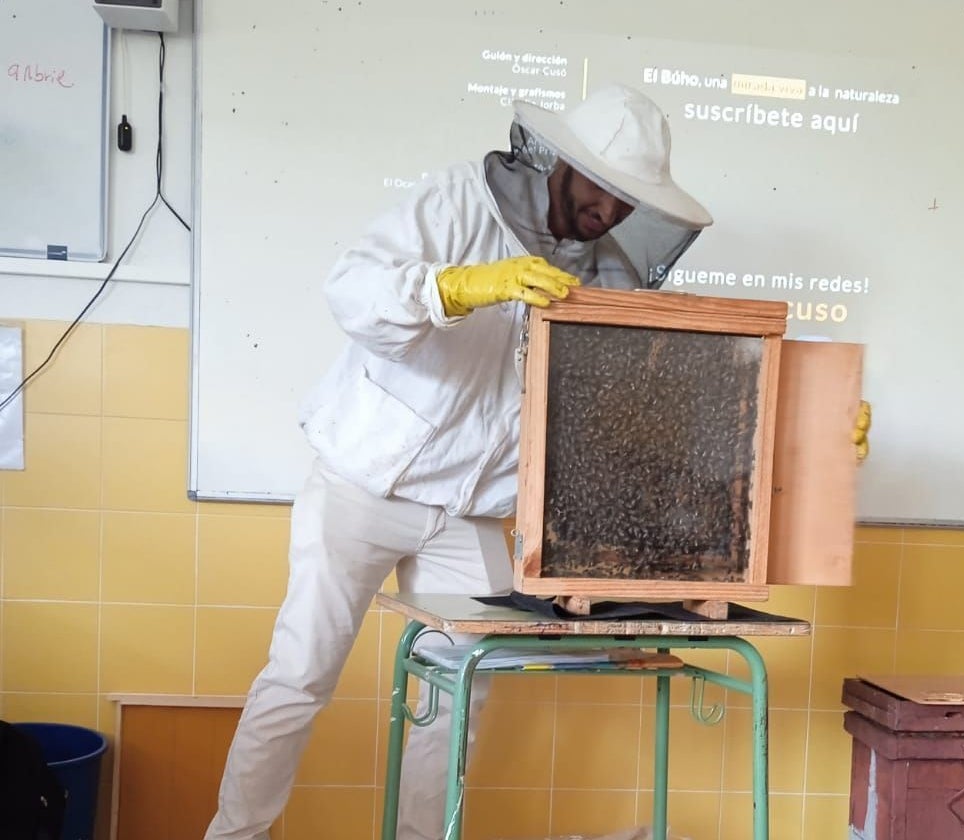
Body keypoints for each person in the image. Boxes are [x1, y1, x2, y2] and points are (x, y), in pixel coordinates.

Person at [204, 83, 716, 840]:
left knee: (457, 694)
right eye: (604, 190)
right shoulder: (455, 201)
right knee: (300, 675)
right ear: (563, 165)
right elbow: (351, 289)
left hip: (471, 511)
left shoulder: (608, 273)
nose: (611, 212)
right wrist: (460, 285)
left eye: (628, 201)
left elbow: (630, 410)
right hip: (362, 482)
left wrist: (810, 425)